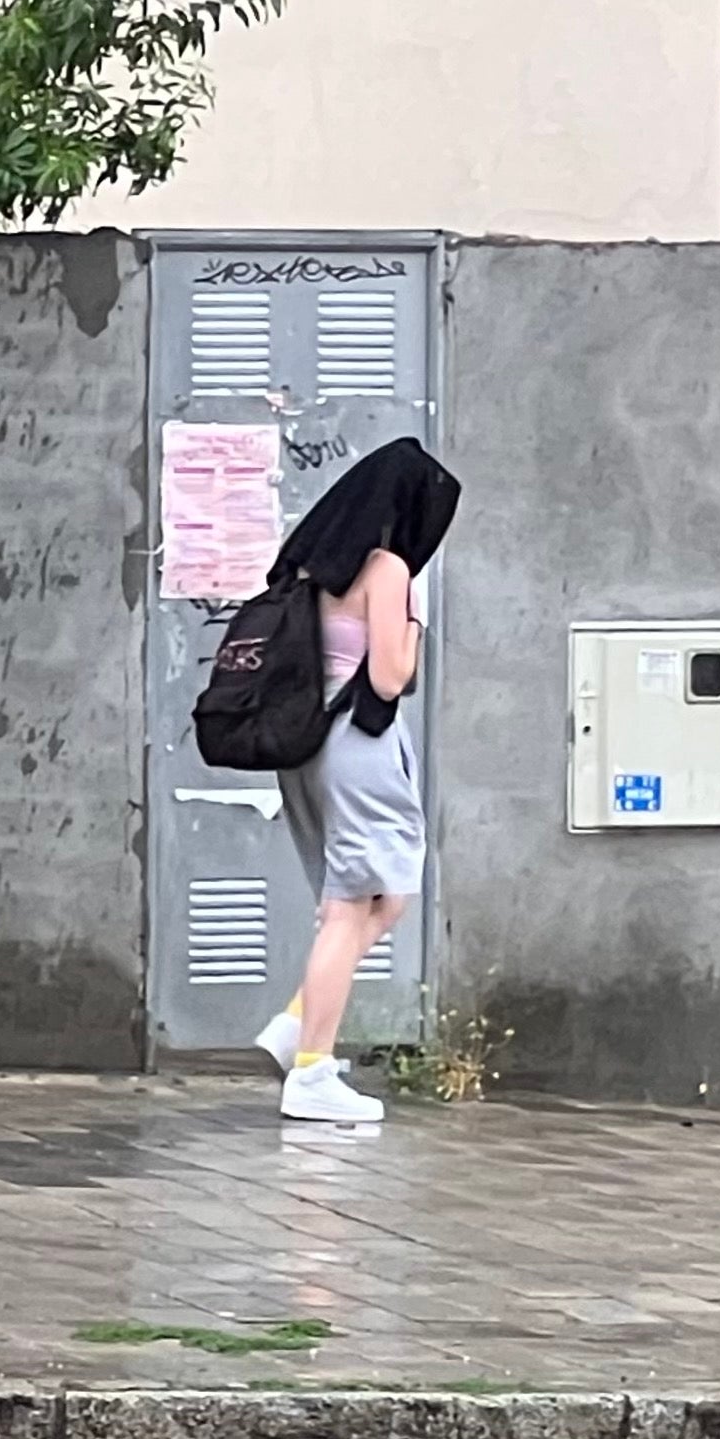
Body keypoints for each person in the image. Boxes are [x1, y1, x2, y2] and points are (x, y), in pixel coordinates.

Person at [251, 437, 462, 1126]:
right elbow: (391, 676)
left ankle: (296, 1025)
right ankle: (311, 1072)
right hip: (357, 746)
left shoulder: (311, 566)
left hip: (306, 745)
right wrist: (414, 619)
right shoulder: (388, 569)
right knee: (349, 908)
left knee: (384, 897)